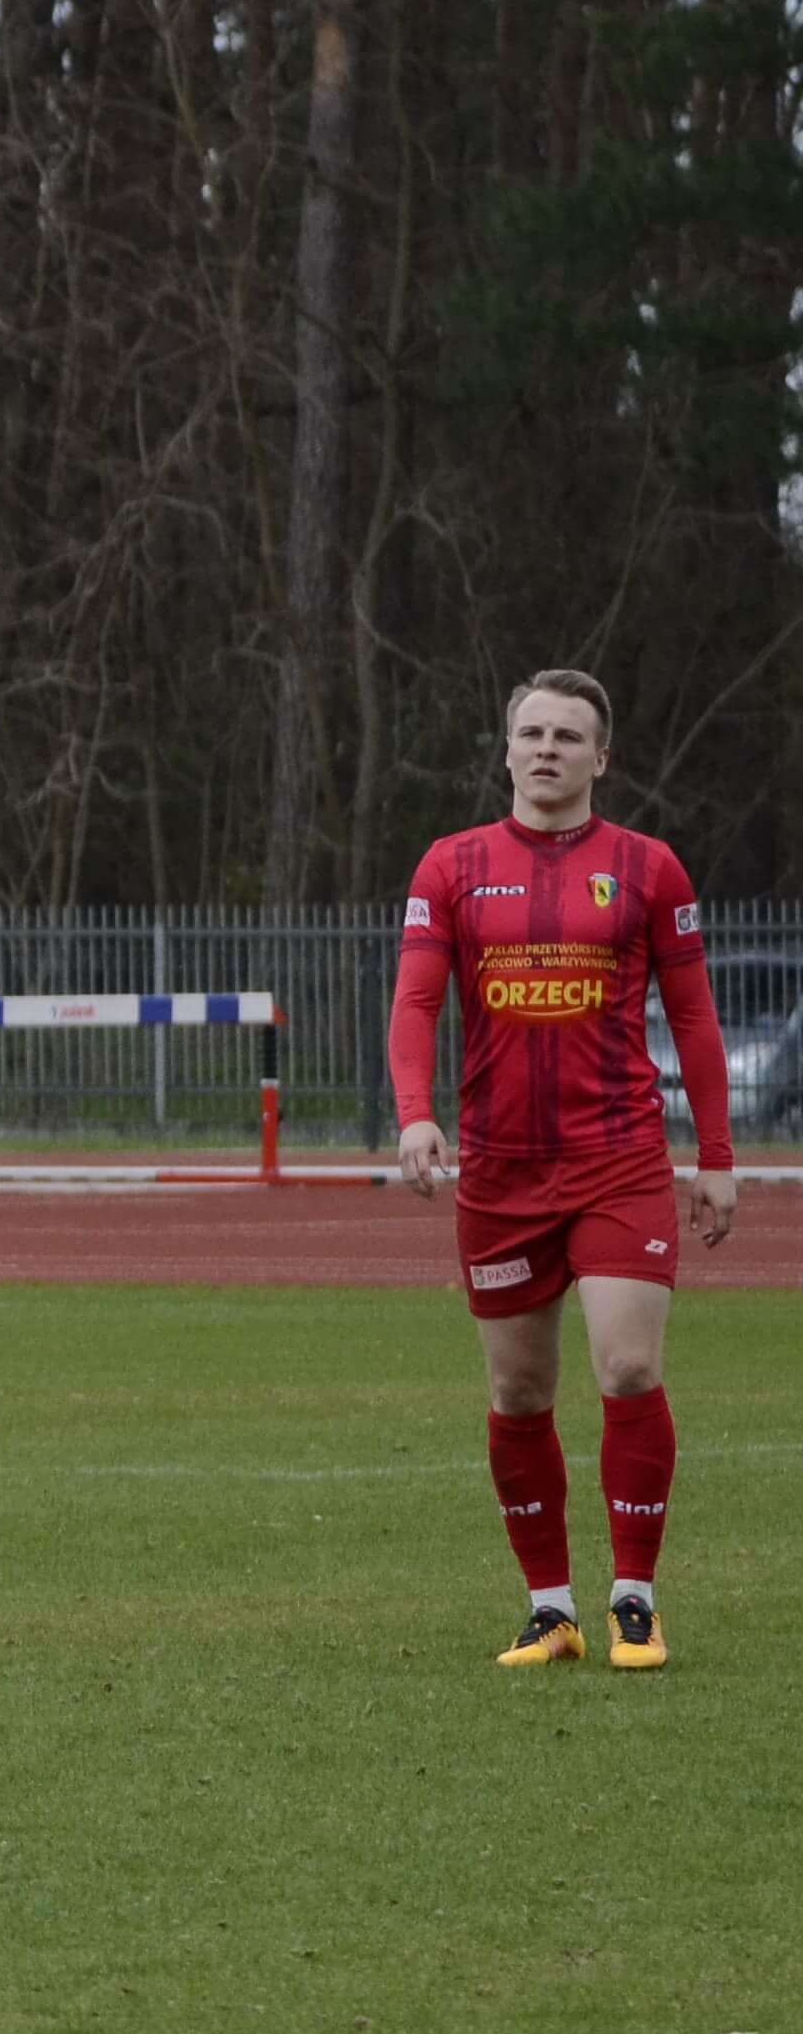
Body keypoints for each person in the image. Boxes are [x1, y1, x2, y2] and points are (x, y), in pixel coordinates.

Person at [390, 668, 740, 1671]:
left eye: (566, 736)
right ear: (504, 750)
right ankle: (550, 1610)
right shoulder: (449, 868)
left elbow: (694, 1018)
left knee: (627, 1367)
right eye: (529, 733)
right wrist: (415, 1118)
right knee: (516, 1393)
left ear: (600, 757)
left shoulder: (646, 869)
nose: (545, 749)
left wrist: (713, 1157)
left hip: (617, 1162)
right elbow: (414, 1004)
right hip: (495, 1176)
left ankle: (633, 1596)